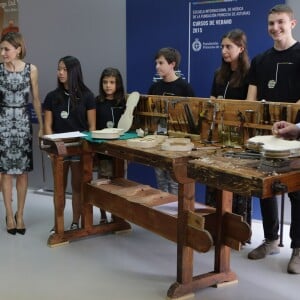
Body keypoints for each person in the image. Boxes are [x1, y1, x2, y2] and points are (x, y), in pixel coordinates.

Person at [246, 4, 300, 274]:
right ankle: (270, 240)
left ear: (293, 23)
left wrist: (295, 125)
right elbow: (251, 101)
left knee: (298, 193)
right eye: (270, 24)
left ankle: (298, 248)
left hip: (297, 137)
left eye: (280, 22)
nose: (275, 28)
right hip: (266, 136)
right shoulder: (259, 60)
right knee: (264, 188)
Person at [43, 56, 96, 231]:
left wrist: (89, 149)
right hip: (58, 149)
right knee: (59, 188)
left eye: (64, 69)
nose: (60, 73)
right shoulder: (52, 96)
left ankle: (75, 222)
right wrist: (52, 147)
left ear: (74, 72)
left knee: (77, 187)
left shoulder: (88, 96)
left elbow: (92, 127)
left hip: (80, 149)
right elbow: (48, 126)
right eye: (59, 69)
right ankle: (58, 224)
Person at [0, 32, 43, 235]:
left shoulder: (31, 70)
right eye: (1, 49)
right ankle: (9, 215)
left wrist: (41, 125)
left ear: (18, 49)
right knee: (6, 172)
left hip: (24, 124)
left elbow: (36, 99)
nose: (2, 53)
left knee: (23, 173)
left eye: (6, 49)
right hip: (3, 124)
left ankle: (20, 214)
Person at [208, 28, 251, 227]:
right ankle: (216, 225)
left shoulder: (249, 74)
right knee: (215, 180)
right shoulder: (219, 74)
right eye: (222, 46)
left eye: (229, 47)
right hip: (219, 136)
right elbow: (213, 99)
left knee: (236, 184)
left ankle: (237, 229)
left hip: (239, 138)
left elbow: (249, 106)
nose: (224, 51)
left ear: (241, 48)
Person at [148, 47, 195, 194]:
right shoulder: (154, 87)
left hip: (178, 144)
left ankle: (176, 214)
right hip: (158, 142)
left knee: (175, 183)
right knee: (161, 182)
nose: (157, 67)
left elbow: (192, 118)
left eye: (161, 63)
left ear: (172, 64)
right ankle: (164, 214)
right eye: (156, 63)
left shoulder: (185, 88)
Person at [95, 67, 125, 223]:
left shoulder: (124, 103)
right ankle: (102, 214)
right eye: (105, 82)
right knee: (103, 182)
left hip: (120, 152)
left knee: (118, 182)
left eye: (112, 82)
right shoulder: (97, 102)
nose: (108, 85)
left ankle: (116, 213)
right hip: (102, 151)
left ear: (118, 84)